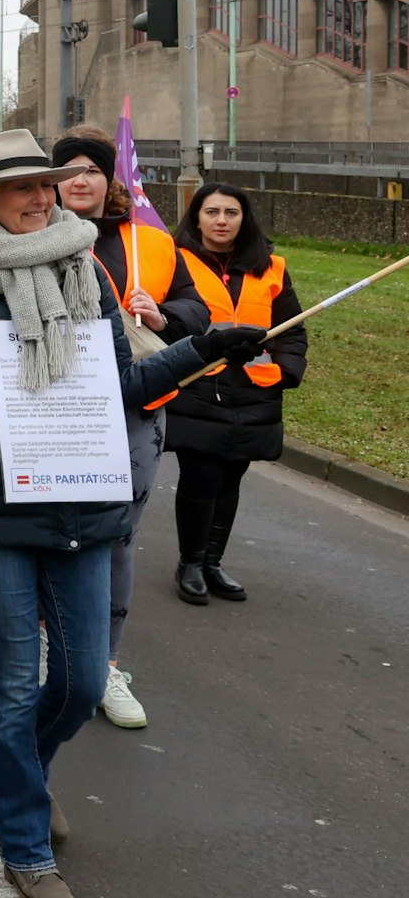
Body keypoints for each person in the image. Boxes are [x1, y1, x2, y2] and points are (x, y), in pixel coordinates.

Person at [0, 130, 263, 898]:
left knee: (76, 682)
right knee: (13, 682)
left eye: (47, 185)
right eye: (21, 190)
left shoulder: (87, 276)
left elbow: (126, 383)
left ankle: (24, 780)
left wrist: (204, 347)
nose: (41, 198)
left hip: (83, 503)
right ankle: (26, 848)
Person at [52, 127, 211, 728]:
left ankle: (106, 664)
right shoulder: (31, 234)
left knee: (118, 535)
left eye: (92, 169)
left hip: (136, 406)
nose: (80, 180)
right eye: (68, 170)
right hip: (53, 408)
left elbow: (199, 310)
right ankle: (50, 643)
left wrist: (162, 312)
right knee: (50, 529)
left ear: (108, 178)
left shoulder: (150, 241)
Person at [166, 183, 306, 608]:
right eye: (212, 212)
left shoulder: (272, 268)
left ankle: (212, 561)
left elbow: (294, 329)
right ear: (196, 217)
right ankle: (190, 563)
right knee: (202, 475)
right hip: (198, 386)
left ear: (244, 219)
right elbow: (167, 323)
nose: (221, 221)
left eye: (231, 212)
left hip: (254, 389)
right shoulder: (176, 262)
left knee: (231, 476)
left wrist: (284, 371)